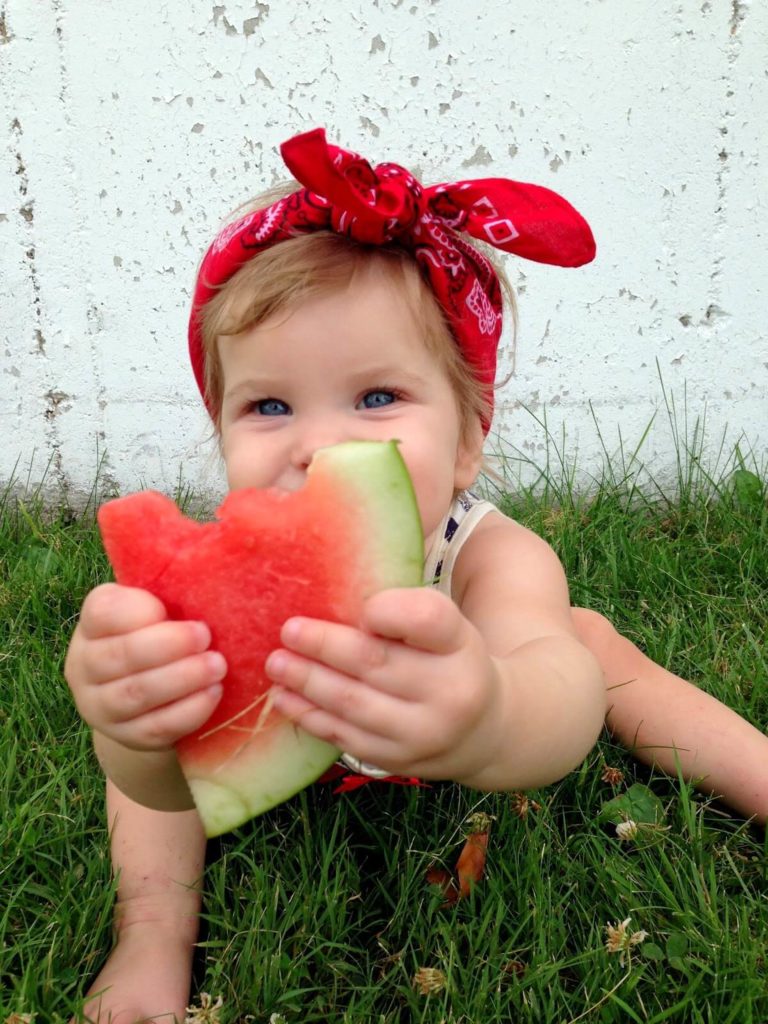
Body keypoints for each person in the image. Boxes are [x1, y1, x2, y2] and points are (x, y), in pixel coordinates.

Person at [64, 127, 768, 1023]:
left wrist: (489, 717)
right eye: (268, 405)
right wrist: (134, 727)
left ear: (469, 440)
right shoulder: (225, 588)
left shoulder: (489, 554)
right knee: (158, 708)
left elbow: (561, 707)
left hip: (462, 718)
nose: (319, 445)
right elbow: (168, 784)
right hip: (288, 723)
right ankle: (153, 929)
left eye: (376, 398)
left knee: (588, 646)